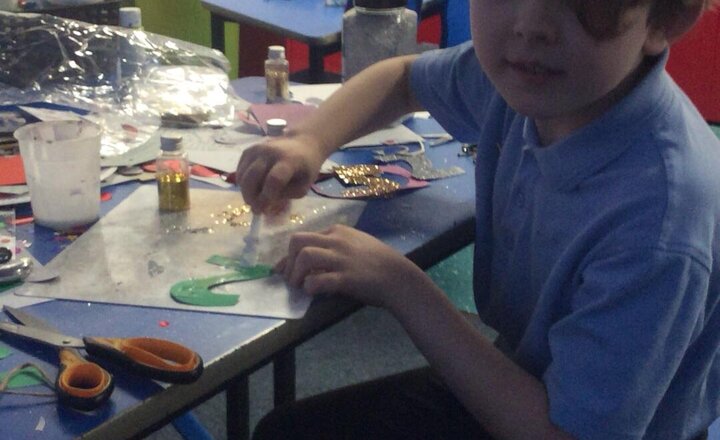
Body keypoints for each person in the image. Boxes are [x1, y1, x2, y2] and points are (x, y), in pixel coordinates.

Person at [236, 0, 720, 438]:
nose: (530, 26)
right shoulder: (528, 80)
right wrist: (310, 141)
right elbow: (402, 79)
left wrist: (400, 285)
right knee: (289, 431)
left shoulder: (660, 221)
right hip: (532, 378)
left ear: (665, 18)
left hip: (571, 423)